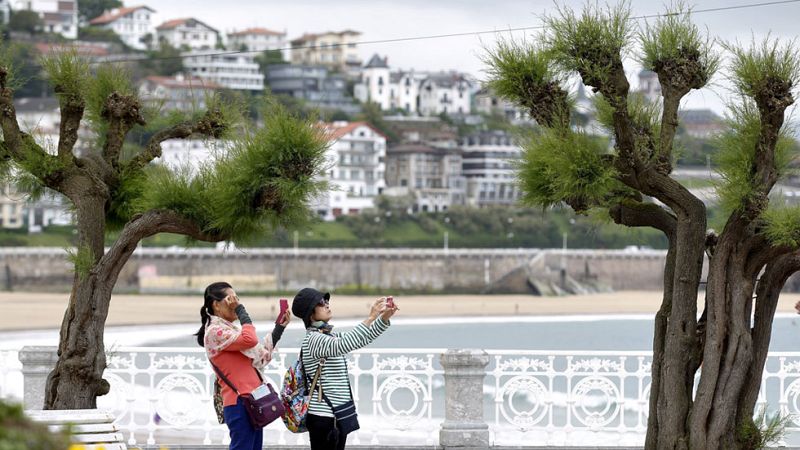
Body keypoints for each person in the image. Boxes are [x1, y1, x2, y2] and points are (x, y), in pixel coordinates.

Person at [292, 288, 397, 450]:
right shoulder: (313, 339)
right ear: (310, 314)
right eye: (321, 303)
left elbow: (359, 339)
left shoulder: (328, 336)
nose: (327, 305)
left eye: (327, 301)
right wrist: (371, 317)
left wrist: (383, 319)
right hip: (323, 417)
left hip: (336, 413)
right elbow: (345, 343)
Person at [195, 281, 291, 450]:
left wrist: (279, 327)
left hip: (253, 401)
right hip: (239, 403)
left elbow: (261, 357)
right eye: (230, 299)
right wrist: (241, 311)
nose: (235, 303)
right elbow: (250, 339)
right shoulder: (214, 332)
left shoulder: (230, 331)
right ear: (216, 305)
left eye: (237, 299)